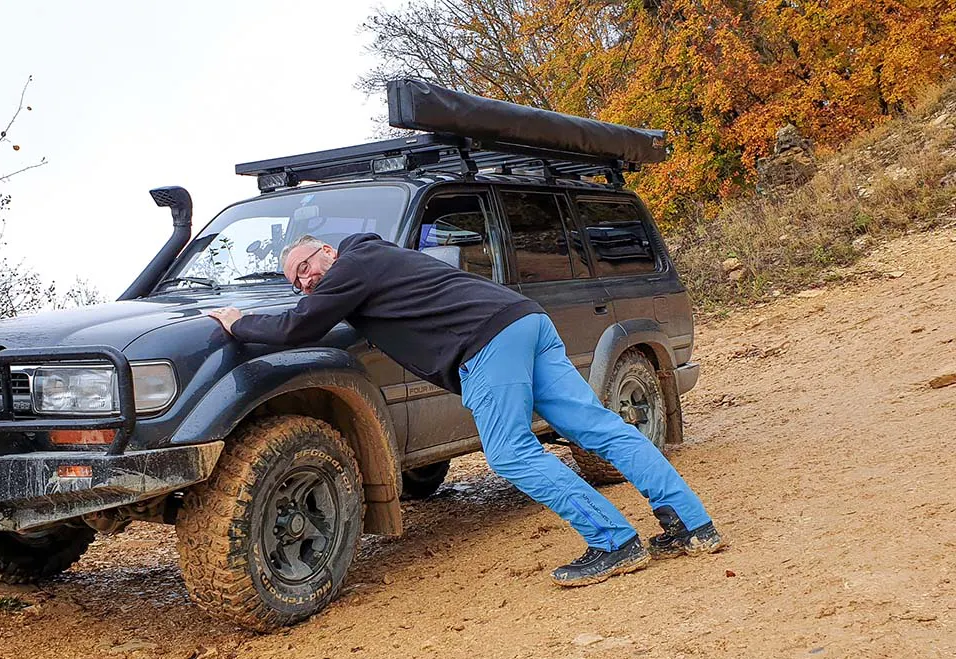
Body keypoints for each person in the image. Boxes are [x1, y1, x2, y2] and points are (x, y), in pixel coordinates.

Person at [207, 232, 723, 586]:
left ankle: (614, 542)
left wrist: (238, 323)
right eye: (294, 280)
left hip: (488, 343)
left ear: (324, 252)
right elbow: (325, 311)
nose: (303, 282)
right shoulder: (378, 262)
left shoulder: (352, 264)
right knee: (598, 427)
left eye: (303, 269)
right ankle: (693, 526)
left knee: (511, 454)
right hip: (525, 322)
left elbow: (300, 326)